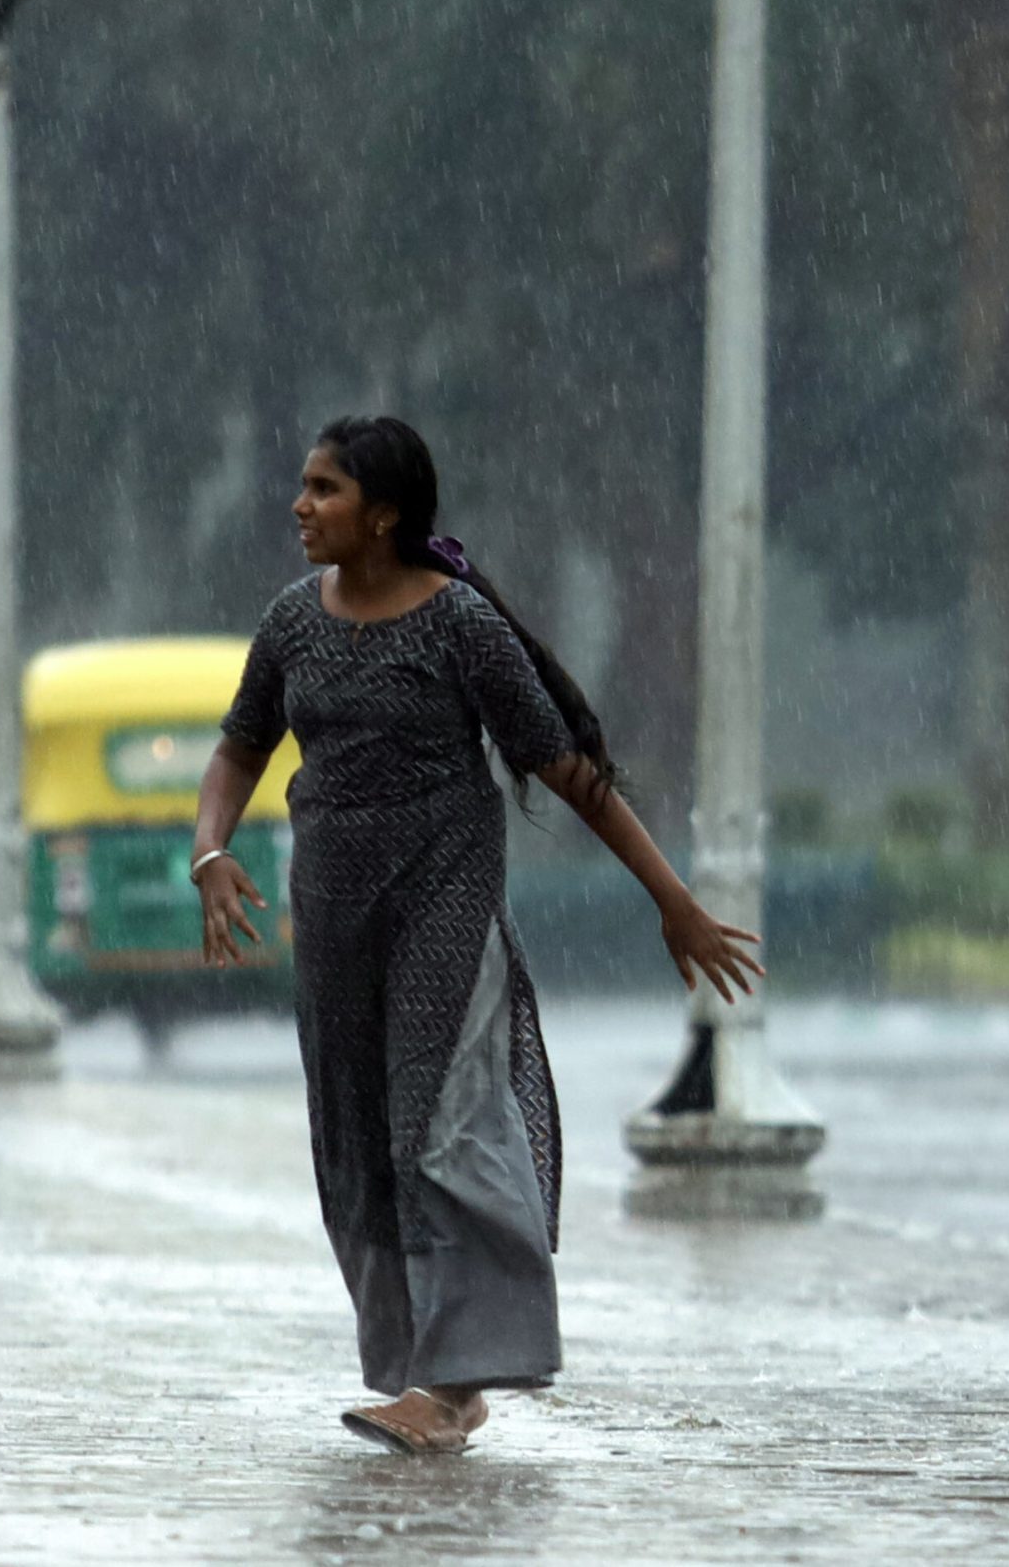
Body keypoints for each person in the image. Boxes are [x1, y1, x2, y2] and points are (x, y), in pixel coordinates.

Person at [190, 414, 762, 1455]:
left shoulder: (458, 625)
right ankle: (426, 1369)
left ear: (384, 516)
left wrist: (670, 900)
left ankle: (452, 1385)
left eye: (323, 489)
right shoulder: (289, 623)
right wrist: (209, 850)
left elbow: (565, 768)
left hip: (444, 902)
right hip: (333, 913)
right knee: (360, 1135)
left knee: (438, 1123)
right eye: (303, 485)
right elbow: (238, 749)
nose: (299, 505)